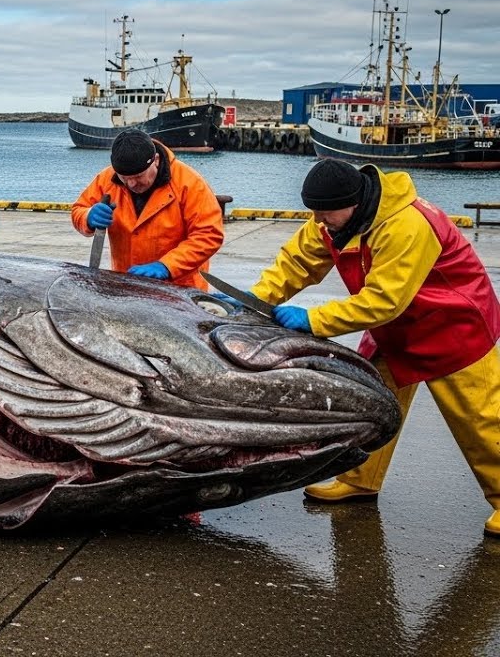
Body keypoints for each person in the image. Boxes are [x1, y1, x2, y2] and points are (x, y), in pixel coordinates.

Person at [240, 159, 500, 537]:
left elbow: (385, 299)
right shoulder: (334, 219)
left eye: (325, 213)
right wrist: (257, 297)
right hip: (394, 330)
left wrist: (314, 320)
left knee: (481, 419)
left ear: (353, 203)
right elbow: (296, 262)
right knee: (372, 404)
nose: (319, 221)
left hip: (453, 325)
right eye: (315, 212)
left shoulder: (408, 224)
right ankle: (359, 480)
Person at [70, 129, 223, 289]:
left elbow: (208, 234)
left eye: (138, 177)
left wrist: (167, 266)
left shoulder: (190, 184)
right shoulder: (107, 179)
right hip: (126, 286)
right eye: (124, 178)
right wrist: (87, 217)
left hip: (179, 291)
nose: (131, 184)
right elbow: (79, 209)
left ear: (155, 160)